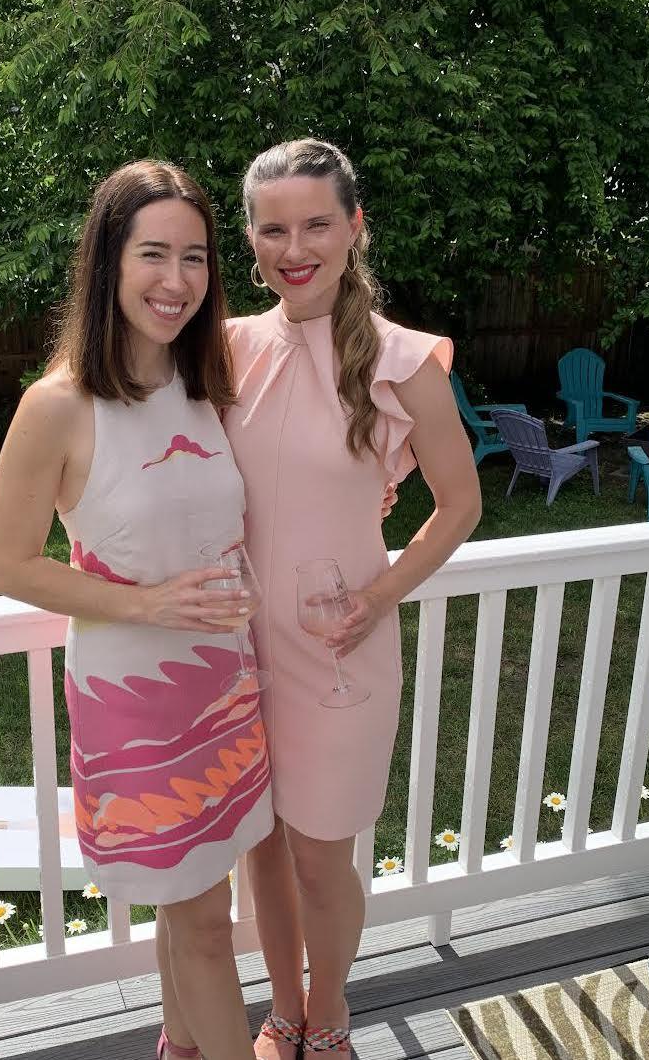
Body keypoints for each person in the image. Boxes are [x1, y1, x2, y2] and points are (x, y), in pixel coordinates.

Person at [0, 160, 275, 1060]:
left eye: (195, 256)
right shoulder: (58, 405)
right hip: (136, 707)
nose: (176, 279)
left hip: (225, 687)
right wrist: (146, 601)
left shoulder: (205, 381)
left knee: (196, 903)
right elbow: (6, 564)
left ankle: (180, 1047)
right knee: (202, 923)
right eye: (153, 253)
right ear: (108, 261)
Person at [225, 138, 483, 1058]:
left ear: (354, 227)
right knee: (261, 848)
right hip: (234, 654)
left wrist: (379, 597)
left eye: (317, 225)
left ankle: (329, 1012)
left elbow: (461, 504)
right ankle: (281, 1008)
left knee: (322, 854)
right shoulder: (225, 348)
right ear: (251, 240)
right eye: (273, 230)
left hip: (340, 652)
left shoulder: (403, 362)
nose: (295, 248)